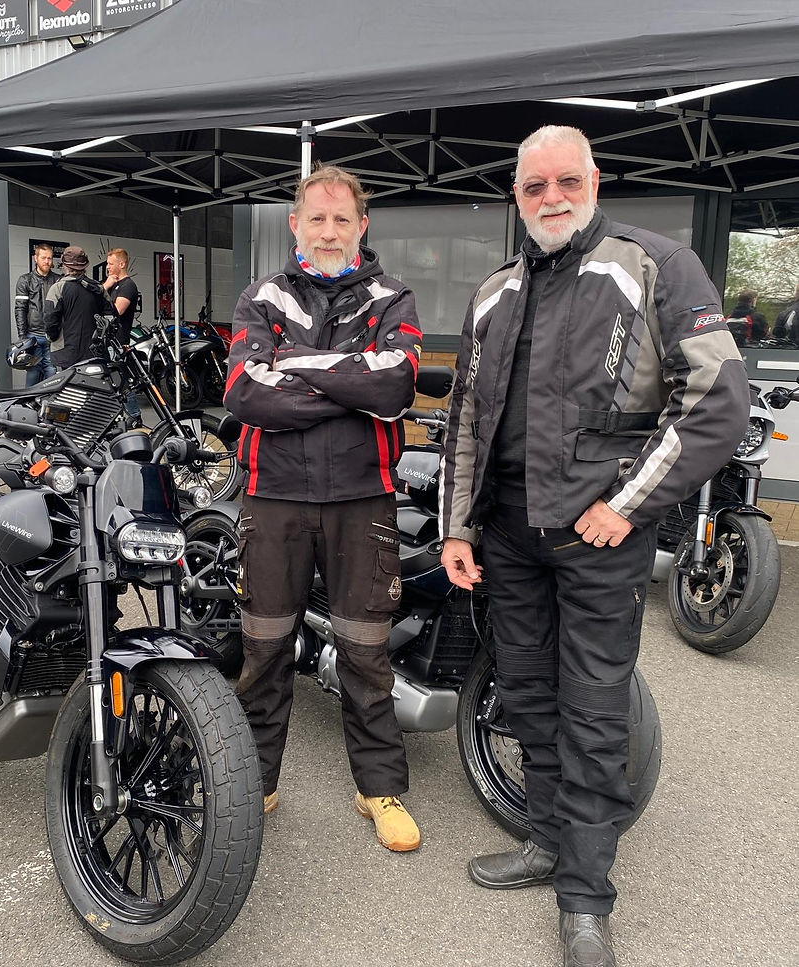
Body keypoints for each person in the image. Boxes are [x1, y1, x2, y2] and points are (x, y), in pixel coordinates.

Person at [439, 126, 749, 967]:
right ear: (516, 195)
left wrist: (625, 503)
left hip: (598, 538)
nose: (551, 198)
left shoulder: (656, 264)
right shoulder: (496, 288)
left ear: (594, 179)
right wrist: (458, 526)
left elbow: (717, 397)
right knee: (529, 696)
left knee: (595, 713)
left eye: (565, 180)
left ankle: (585, 901)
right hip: (507, 537)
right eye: (533, 186)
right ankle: (544, 842)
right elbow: (465, 418)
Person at [224, 165, 423, 852]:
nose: (330, 230)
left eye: (343, 219)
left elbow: (396, 385)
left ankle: (380, 788)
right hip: (272, 497)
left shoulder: (393, 295)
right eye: (318, 218)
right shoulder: (261, 296)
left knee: (366, 653)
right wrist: (349, 375)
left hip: (361, 497)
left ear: (362, 225)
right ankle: (254, 777)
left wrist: (297, 364)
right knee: (264, 648)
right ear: (296, 224)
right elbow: (246, 395)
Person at [44, 246, 112, 370]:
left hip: (66, 355)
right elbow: (112, 317)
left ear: (64, 264)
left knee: (68, 389)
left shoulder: (57, 289)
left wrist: (52, 338)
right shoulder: (98, 288)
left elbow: (50, 321)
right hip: (95, 354)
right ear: (85, 266)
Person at [102, 247, 142, 421]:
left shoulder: (128, 286)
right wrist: (106, 286)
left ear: (122, 263)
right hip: (107, 341)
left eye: (111, 263)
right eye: (107, 263)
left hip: (117, 341)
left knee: (119, 379)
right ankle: (118, 415)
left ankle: (133, 414)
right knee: (111, 380)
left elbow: (116, 311)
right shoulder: (112, 285)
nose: (107, 267)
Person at [13, 242, 61, 386]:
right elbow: (20, 309)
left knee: (52, 372)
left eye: (50, 258)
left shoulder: (58, 280)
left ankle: (47, 404)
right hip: (32, 335)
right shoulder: (25, 280)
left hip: (53, 336)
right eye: (44, 258)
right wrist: (22, 338)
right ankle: (29, 404)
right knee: (33, 371)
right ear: (36, 258)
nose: (47, 261)